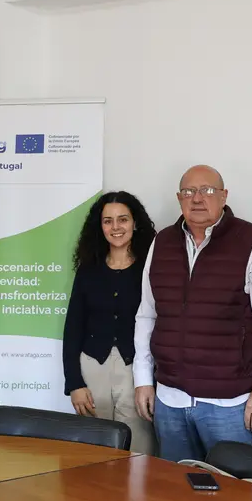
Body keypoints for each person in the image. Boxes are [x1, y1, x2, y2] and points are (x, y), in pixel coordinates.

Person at [133, 165, 252, 462]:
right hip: (170, 401)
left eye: (207, 190)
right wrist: (143, 379)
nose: (197, 198)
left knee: (239, 494)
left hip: (231, 404)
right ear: (179, 198)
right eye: (189, 192)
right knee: (178, 492)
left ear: (224, 196)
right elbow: (147, 315)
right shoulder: (161, 243)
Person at [62, 191, 157, 454]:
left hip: (137, 371)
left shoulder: (153, 267)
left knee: (138, 451)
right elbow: (73, 327)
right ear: (99, 226)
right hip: (92, 369)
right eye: (108, 221)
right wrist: (74, 384)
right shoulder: (88, 269)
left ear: (135, 223)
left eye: (123, 219)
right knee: (94, 453)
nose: (116, 227)